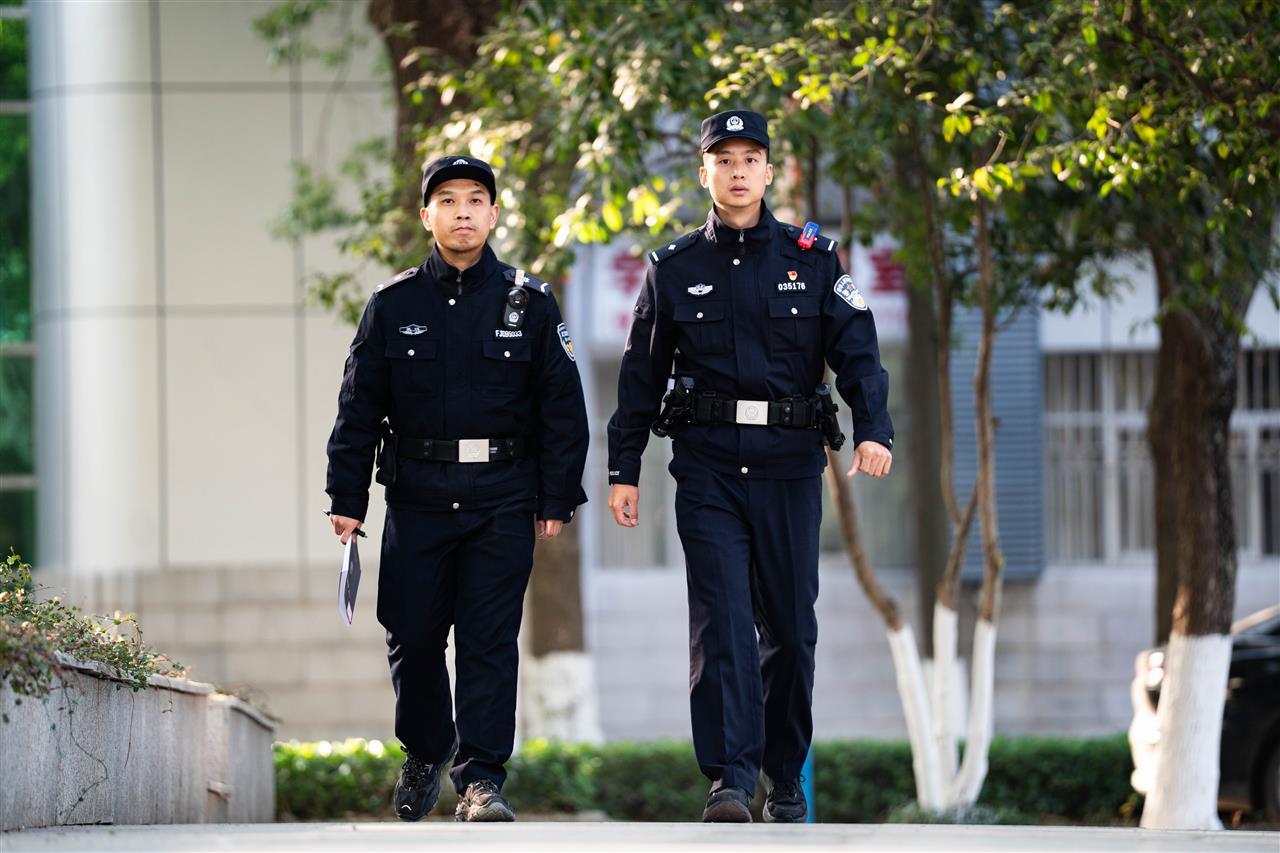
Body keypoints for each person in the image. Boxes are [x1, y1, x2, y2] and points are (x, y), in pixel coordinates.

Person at [606, 110, 894, 823]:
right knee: (724, 624)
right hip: (707, 470)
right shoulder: (674, 268)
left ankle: (784, 774)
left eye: (749, 159)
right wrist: (623, 468)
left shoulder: (814, 259)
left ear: (768, 171)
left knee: (791, 631)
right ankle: (730, 780)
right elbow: (640, 377)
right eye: (723, 160)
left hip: (789, 469)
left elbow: (858, 350)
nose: (737, 172)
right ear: (703, 173)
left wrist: (873, 428)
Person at [325, 155, 588, 822]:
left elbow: (562, 406)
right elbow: (358, 408)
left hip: (502, 496)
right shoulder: (393, 305)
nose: (462, 211)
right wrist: (347, 498)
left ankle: (482, 780)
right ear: (427, 215)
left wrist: (556, 496)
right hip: (417, 496)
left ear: (494, 214)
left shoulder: (530, 303)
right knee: (411, 634)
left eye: (475, 199)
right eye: (448, 200)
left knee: (488, 641)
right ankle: (425, 747)